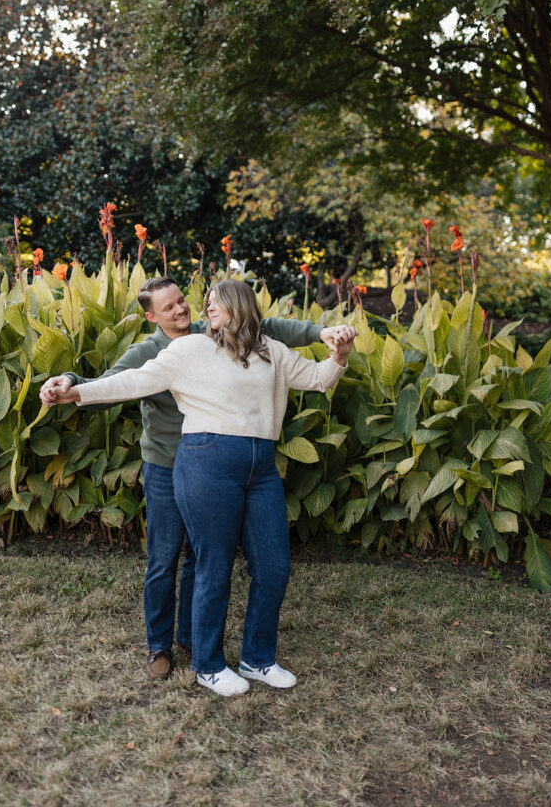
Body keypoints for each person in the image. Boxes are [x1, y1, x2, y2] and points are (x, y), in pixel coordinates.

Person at [42, 279, 355, 697]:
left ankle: (258, 659)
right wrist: (74, 391)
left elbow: (318, 378)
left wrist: (339, 354)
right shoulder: (189, 349)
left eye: (213, 303)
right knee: (213, 564)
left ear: (239, 305)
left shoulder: (270, 351)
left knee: (274, 566)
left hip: (260, 467)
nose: (204, 309)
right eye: (204, 303)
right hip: (205, 461)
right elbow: (130, 380)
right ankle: (207, 664)